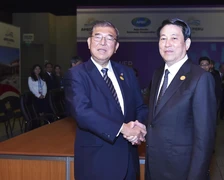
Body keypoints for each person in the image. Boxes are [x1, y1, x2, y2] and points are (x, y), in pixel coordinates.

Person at [64, 20, 148, 180]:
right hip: (97, 163)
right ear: (89, 42)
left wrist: (139, 126)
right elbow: (82, 113)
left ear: (116, 47)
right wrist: (124, 129)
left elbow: (140, 107)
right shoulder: (76, 75)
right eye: (98, 37)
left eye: (109, 38)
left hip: (129, 161)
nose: (103, 42)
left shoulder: (127, 73)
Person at [145, 18, 216, 180]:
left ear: (187, 43)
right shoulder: (157, 74)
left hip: (181, 171)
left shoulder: (200, 78)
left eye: (174, 38)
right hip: (154, 167)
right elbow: (157, 118)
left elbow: (204, 138)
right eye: (163, 38)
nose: (167, 43)